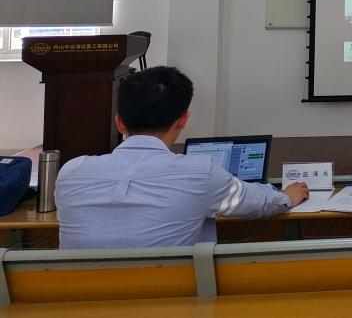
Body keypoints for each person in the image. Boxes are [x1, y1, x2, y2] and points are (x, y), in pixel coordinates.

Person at [55, 66, 309, 249]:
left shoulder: (70, 172)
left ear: (119, 123)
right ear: (183, 120)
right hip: (172, 299)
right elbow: (257, 203)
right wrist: (286, 196)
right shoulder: (200, 174)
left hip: (81, 300)